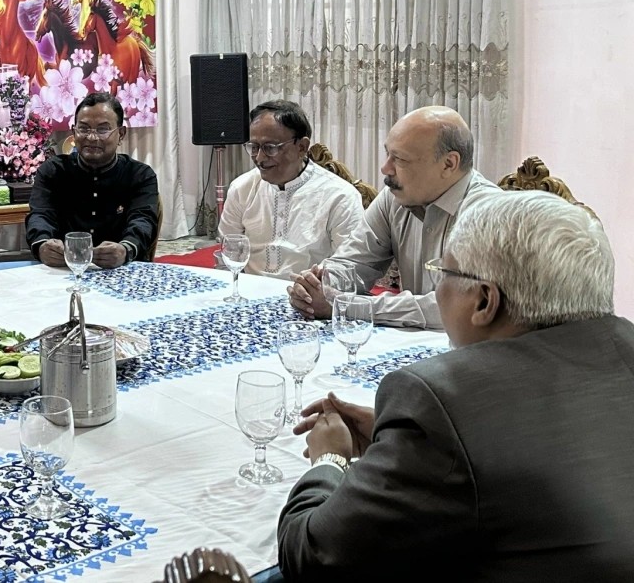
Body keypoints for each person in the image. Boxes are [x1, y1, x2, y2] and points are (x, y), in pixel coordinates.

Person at [277, 191, 634, 581]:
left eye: (443, 274)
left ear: (484, 302)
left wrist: (330, 459)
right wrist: (398, 436)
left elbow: (313, 557)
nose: (438, 289)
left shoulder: (442, 399)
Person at [288, 106, 497, 328]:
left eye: (400, 159)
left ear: (448, 164)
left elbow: (455, 306)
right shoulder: (395, 197)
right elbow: (353, 262)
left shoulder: (489, 213)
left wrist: (346, 306)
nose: (385, 168)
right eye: (388, 154)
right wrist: (318, 284)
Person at [218, 100, 366, 279]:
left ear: (301, 147)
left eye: (270, 148)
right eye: (254, 147)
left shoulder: (340, 196)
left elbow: (349, 266)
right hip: (248, 291)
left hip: (310, 293)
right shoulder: (242, 188)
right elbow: (228, 254)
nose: (259, 158)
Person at [26, 92, 159, 268]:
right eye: (84, 128)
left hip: (121, 270)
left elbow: (143, 221)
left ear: (121, 134)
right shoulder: (53, 171)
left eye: (102, 129)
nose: (91, 137)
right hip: (64, 270)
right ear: (74, 132)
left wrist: (125, 249)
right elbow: (40, 215)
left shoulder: (140, 175)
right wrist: (43, 245)